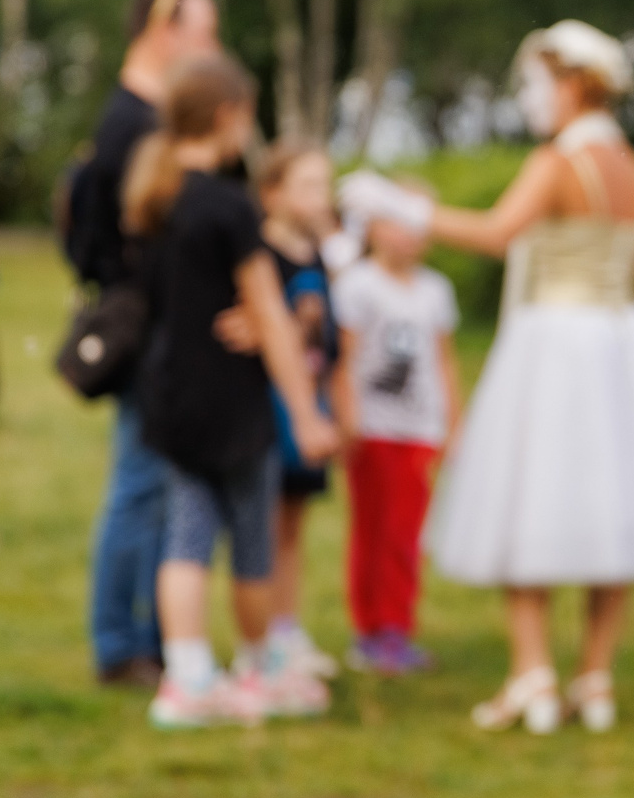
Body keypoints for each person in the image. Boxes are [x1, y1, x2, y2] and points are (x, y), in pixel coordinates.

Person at [427, 21, 634, 735]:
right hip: (621, 344)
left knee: (526, 500)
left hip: (555, 344)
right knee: (613, 511)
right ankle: (596, 677)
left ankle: (534, 674)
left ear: (575, 85)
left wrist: (408, 210)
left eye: (538, 83)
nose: (532, 99)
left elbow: (497, 234)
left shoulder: (557, 163)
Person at [124, 54, 340, 728]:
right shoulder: (227, 206)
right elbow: (271, 316)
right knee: (252, 542)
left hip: (171, 392)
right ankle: (259, 667)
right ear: (228, 117)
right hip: (234, 401)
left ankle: (187, 676)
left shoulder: (151, 200)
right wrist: (305, 412)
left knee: (185, 540)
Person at [67, 0, 226, 687]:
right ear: (167, 32)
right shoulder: (131, 125)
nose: (212, 50)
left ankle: (153, 638)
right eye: (204, 34)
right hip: (148, 333)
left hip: (163, 329)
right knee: (139, 484)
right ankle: (119, 644)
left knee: (157, 485)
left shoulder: (139, 118)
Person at [331, 171, 463, 676]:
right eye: (397, 220)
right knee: (373, 528)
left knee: (406, 532)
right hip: (374, 428)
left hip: (418, 431)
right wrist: (348, 417)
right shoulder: (358, 287)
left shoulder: (436, 291)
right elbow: (344, 358)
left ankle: (395, 624)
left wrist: (454, 420)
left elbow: (446, 361)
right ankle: (373, 628)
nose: (408, 234)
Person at [256, 140, 343, 682]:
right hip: (269, 411)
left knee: (293, 524)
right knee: (262, 525)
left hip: (314, 403)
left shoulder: (321, 257)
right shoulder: (258, 256)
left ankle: (286, 627)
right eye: (307, 185)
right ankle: (261, 634)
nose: (320, 197)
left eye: (325, 186)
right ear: (273, 194)